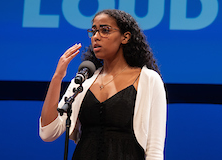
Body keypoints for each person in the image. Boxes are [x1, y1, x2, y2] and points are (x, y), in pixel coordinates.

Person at [39, 9, 166, 160]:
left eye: (105, 30)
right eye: (93, 31)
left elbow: (155, 149)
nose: (96, 37)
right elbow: (47, 133)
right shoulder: (84, 80)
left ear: (125, 37)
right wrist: (57, 77)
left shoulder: (149, 80)